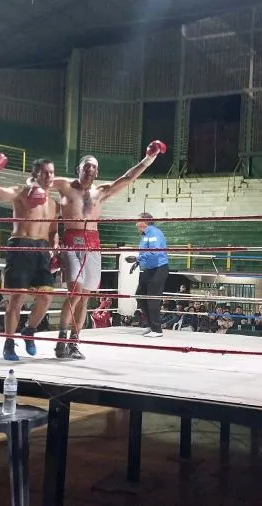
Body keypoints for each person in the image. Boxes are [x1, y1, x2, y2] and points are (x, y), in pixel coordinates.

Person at [50, 140, 167, 359]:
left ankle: (74, 343)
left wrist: (149, 159)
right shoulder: (65, 185)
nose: (90, 169)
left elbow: (128, 178)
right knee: (75, 292)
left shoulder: (101, 192)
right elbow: (39, 183)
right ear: (79, 169)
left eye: (94, 166)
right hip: (72, 242)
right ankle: (61, 339)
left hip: (93, 244)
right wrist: (51, 236)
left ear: (97, 171)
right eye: (87, 165)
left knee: (85, 297)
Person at [0, 157, 58, 361]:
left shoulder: (53, 203)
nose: (49, 176)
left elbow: (53, 230)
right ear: (34, 174)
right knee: (17, 299)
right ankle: (9, 343)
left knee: (46, 298)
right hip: (21, 245)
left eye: (51, 172)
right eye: (44, 172)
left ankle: (29, 330)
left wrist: (55, 249)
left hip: (42, 250)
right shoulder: (20, 192)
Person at [131, 213, 169, 338]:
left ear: (145, 221)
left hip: (159, 269)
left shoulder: (153, 233)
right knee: (140, 295)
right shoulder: (145, 235)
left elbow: (155, 252)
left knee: (152, 298)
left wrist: (138, 257)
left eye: (138, 220)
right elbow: (146, 252)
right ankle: (151, 325)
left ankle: (157, 329)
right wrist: (138, 262)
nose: (136, 223)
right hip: (149, 269)